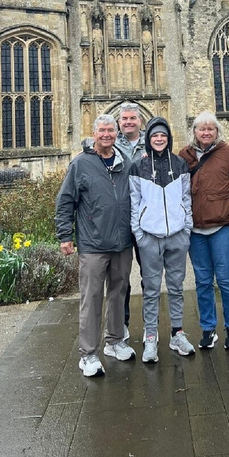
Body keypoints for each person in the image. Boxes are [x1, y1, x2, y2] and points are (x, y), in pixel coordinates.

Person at [55, 114, 134, 377]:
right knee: (91, 298)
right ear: (94, 133)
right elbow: (65, 200)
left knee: (118, 293)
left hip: (122, 241)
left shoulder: (125, 161)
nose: (107, 135)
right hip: (93, 243)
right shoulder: (81, 164)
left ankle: (114, 341)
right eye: (102, 130)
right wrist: (65, 235)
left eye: (111, 130)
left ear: (116, 133)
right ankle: (88, 354)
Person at [130, 117, 195, 363]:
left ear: (168, 138)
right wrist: (139, 234)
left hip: (177, 236)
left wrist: (186, 228)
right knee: (151, 289)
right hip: (150, 237)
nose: (159, 139)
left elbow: (186, 198)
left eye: (163, 136)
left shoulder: (179, 164)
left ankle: (177, 332)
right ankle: (150, 337)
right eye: (155, 135)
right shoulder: (138, 166)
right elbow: (135, 203)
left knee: (177, 287)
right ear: (149, 139)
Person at [179, 112, 229, 350]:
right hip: (196, 229)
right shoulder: (184, 156)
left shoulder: (228, 153)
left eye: (210, 129)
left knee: (226, 278)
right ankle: (208, 329)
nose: (206, 133)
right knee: (203, 280)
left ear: (217, 131)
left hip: (223, 225)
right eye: (201, 129)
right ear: (194, 131)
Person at [116, 102, 146, 338]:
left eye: (132, 118)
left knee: (150, 273)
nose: (128, 122)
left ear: (140, 120)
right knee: (121, 276)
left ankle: (151, 323)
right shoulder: (109, 144)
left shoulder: (154, 141)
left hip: (147, 218)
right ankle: (122, 326)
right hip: (121, 218)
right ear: (119, 122)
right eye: (124, 119)